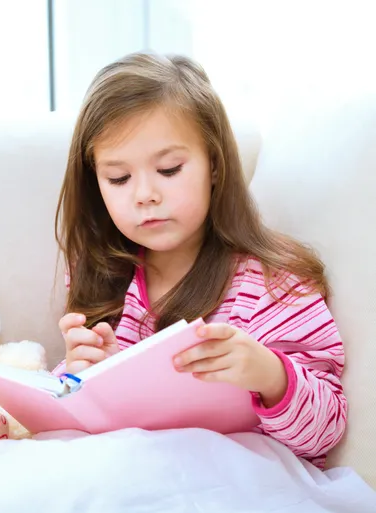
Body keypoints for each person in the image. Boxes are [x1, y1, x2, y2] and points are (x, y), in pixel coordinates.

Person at [51, 51, 346, 470]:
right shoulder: (99, 271)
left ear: (213, 163)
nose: (144, 195)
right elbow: (68, 419)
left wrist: (271, 376)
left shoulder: (271, 284)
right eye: (118, 178)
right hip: (122, 473)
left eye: (169, 169)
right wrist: (77, 374)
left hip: (232, 481)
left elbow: (326, 430)